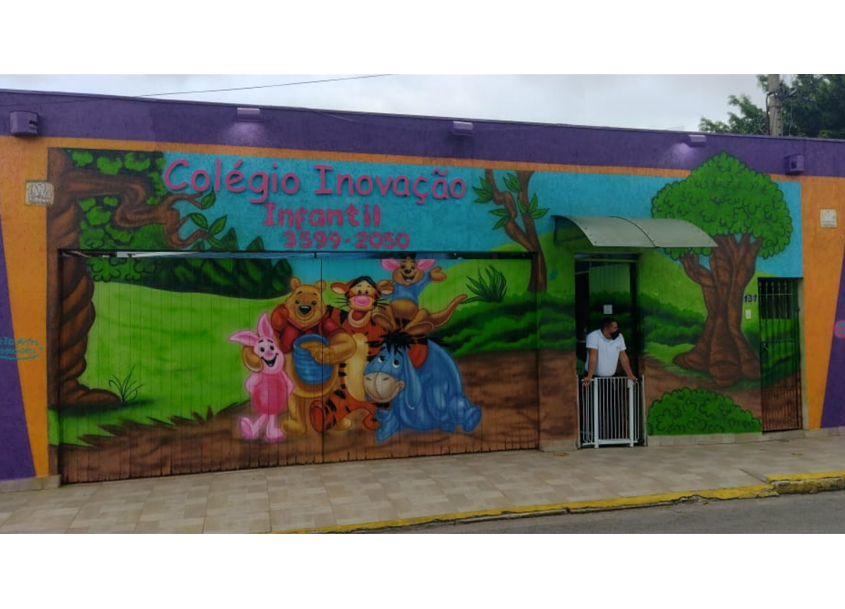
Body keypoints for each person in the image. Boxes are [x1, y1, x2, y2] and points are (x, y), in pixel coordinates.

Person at [582, 317, 637, 385]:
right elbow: (593, 356)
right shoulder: (593, 336)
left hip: (610, 378)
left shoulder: (619, 337)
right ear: (606, 328)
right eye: (615, 328)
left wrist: (630, 375)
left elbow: (623, 357)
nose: (617, 330)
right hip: (594, 377)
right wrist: (589, 377)